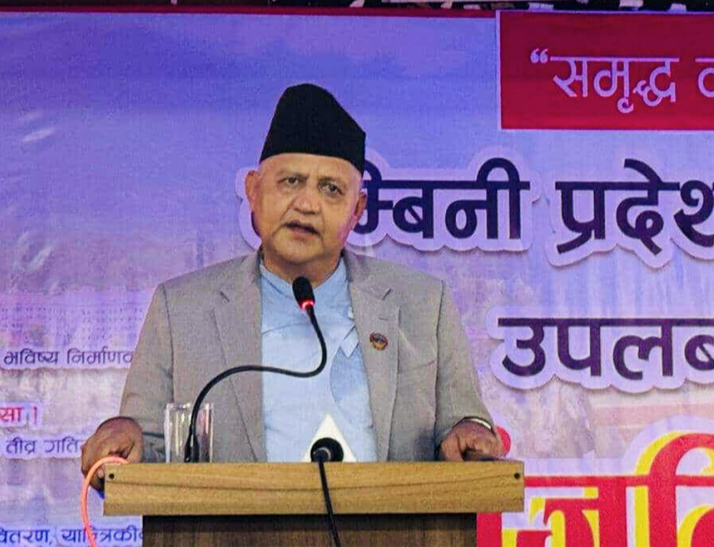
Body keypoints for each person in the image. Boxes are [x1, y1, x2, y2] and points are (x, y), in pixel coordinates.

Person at [80, 83, 501, 490]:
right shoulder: (181, 309)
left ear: (357, 210)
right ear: (253, 190)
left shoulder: (423, 304)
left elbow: (463, 429)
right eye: (291, 181)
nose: (307, 203)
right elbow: (144, 450)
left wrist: (470, 433)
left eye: (331, 189)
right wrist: (122, 440)